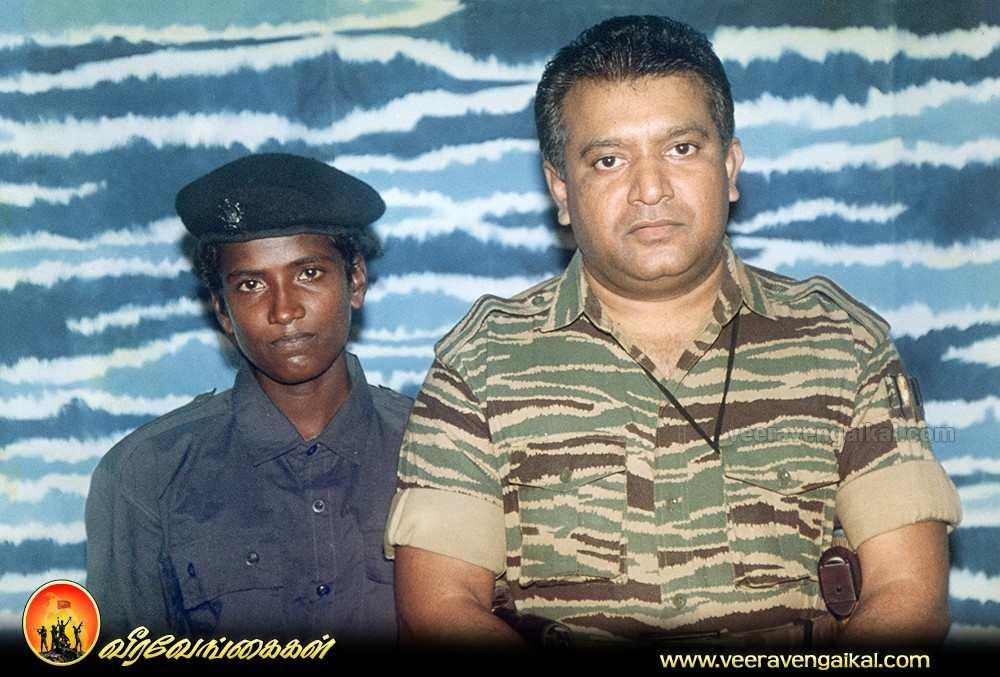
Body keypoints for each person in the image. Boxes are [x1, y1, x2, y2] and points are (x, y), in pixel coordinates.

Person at [386, 16, 961, 647]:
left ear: (730, 166)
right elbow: (439, 605)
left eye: (681, 149)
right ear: (561, 188)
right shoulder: (481, 363)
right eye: (609, 160)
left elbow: (908, 595)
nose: (650, 190)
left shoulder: (843, 346)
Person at [86, 153, 411, 644]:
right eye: (251, 284)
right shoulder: (146, 475)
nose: (284, 310)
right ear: (221, 309)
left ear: (356, 281)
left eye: (309, 273)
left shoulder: (435, 450)